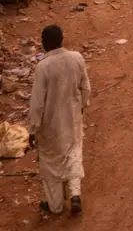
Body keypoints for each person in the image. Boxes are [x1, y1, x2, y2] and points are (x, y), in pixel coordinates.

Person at [29, 25, 91, 216]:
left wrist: (33, 129)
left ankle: (55, 206)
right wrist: (81, 106)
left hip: (50, 125)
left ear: (44, 43)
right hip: (72, 119)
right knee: (73, 153)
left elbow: (37, 103)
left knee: (51, 163)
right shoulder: (76, 58)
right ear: (62, 39)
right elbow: (85, 87)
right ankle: (75, 194)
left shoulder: (43, 67)